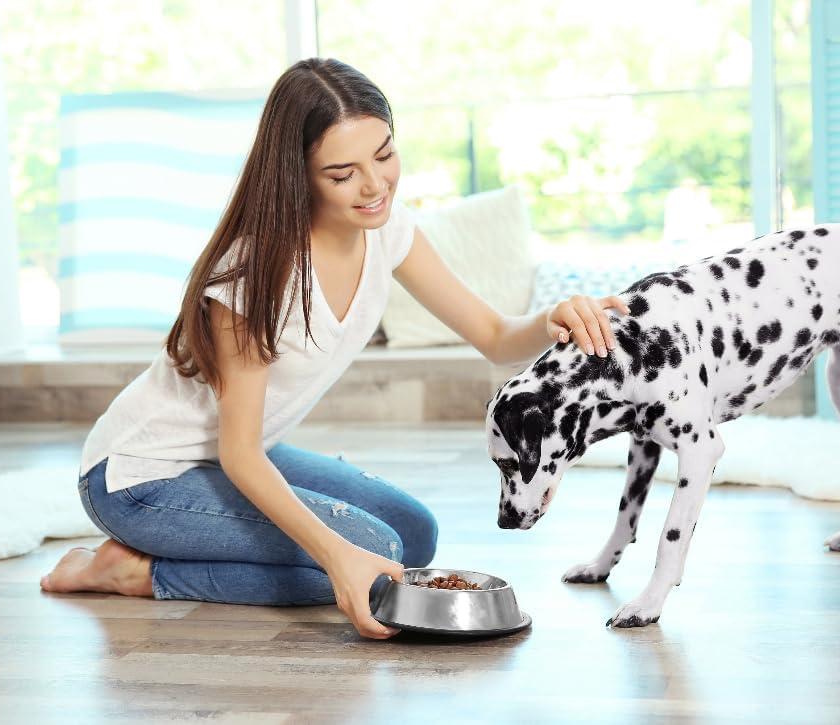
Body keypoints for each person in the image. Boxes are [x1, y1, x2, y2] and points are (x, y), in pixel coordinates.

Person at [39, 58, 629, 640]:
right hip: (141, 478)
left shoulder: (390, 230)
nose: (375, 186)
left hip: (223, 459)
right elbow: (241, 453)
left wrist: (553, 317)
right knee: (373, 560)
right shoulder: (254, 278)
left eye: (385, 154)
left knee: (411, 535)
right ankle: (133, 572)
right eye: (343, 174)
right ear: (298, 175)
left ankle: (208, 558)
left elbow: (496, 337)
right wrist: (336, 559)